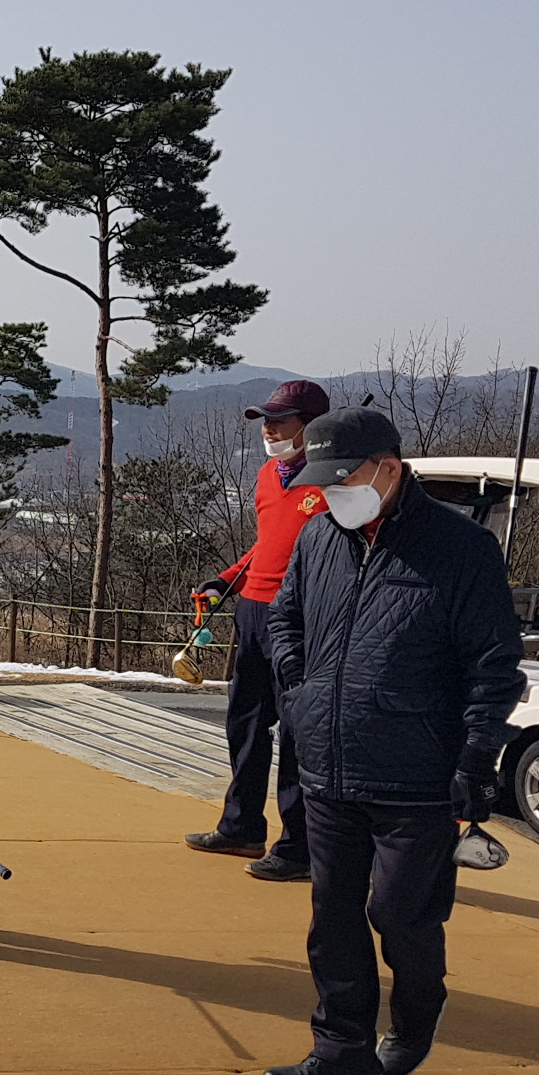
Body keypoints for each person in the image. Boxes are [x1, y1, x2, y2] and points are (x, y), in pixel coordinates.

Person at [261, 406, 525, 1075]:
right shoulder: (320, 536)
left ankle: (416, 1013)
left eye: (342, 478)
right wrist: (299, 682)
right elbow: (285, 615)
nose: (330, 493)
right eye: (321, 482)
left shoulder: (461, 548)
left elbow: (495, 665)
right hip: (326, 761)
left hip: (417, 771)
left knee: (402, 915)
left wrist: (476, 758)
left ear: (389, 469)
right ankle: (341, 1053)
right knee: (333, 917)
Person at [185, 378, 331, 882]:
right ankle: (241, 826)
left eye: (280, 421)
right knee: (244, 721)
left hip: (303, 617)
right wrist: (226, 579)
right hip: (252, 610)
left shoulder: (335, 482)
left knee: (296, 731)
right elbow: (266, 545)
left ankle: (298, 849)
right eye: (265, 421)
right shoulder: (269, 474)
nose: (268, 429)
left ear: (311, 426)